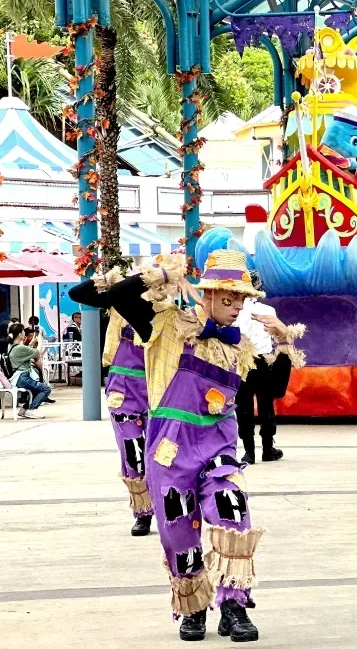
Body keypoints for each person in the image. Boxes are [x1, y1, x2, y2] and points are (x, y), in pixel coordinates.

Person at [102, 250, 303, 642]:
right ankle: (193, 609)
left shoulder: (240, 347)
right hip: (170, 450)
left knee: (233, 511)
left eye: (240, 300)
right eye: (227, 299)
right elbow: (118, 298)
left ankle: (234, 606)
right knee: (178, 531)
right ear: (206, 296)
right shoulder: (167, 327)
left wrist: (280, 335)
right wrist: (161, 273)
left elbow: (275, 390)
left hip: (218, 448)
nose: (235, 308)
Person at [70, 270, 163, 538]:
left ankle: (165, 506)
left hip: (156, 387)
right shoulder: (115, 303)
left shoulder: (161, 307)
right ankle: (142, 512)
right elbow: (77, 293)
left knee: (159, 453)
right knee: (132, 450)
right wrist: (106, 278)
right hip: (123, 389)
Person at [235, 298, 285, 465]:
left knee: (243, 407)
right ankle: (268, 449)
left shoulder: (235, 309)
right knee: (266, 405)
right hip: (264, 360)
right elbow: (276, 336)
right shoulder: (269, 310)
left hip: (243, 361)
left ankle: (249, 453)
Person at [8, 322, 52, 419]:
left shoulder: (12, 346)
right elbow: (37, 353)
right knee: (46, 389)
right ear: (20, 334)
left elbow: (24, 353)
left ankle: (24, 409)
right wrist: (40, 341)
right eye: (23, 332)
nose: (24, 333)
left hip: (19, 376)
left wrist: (31, 344)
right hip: (23, 377)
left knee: (36, 390)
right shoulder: (19, 348)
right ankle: (32, 409)